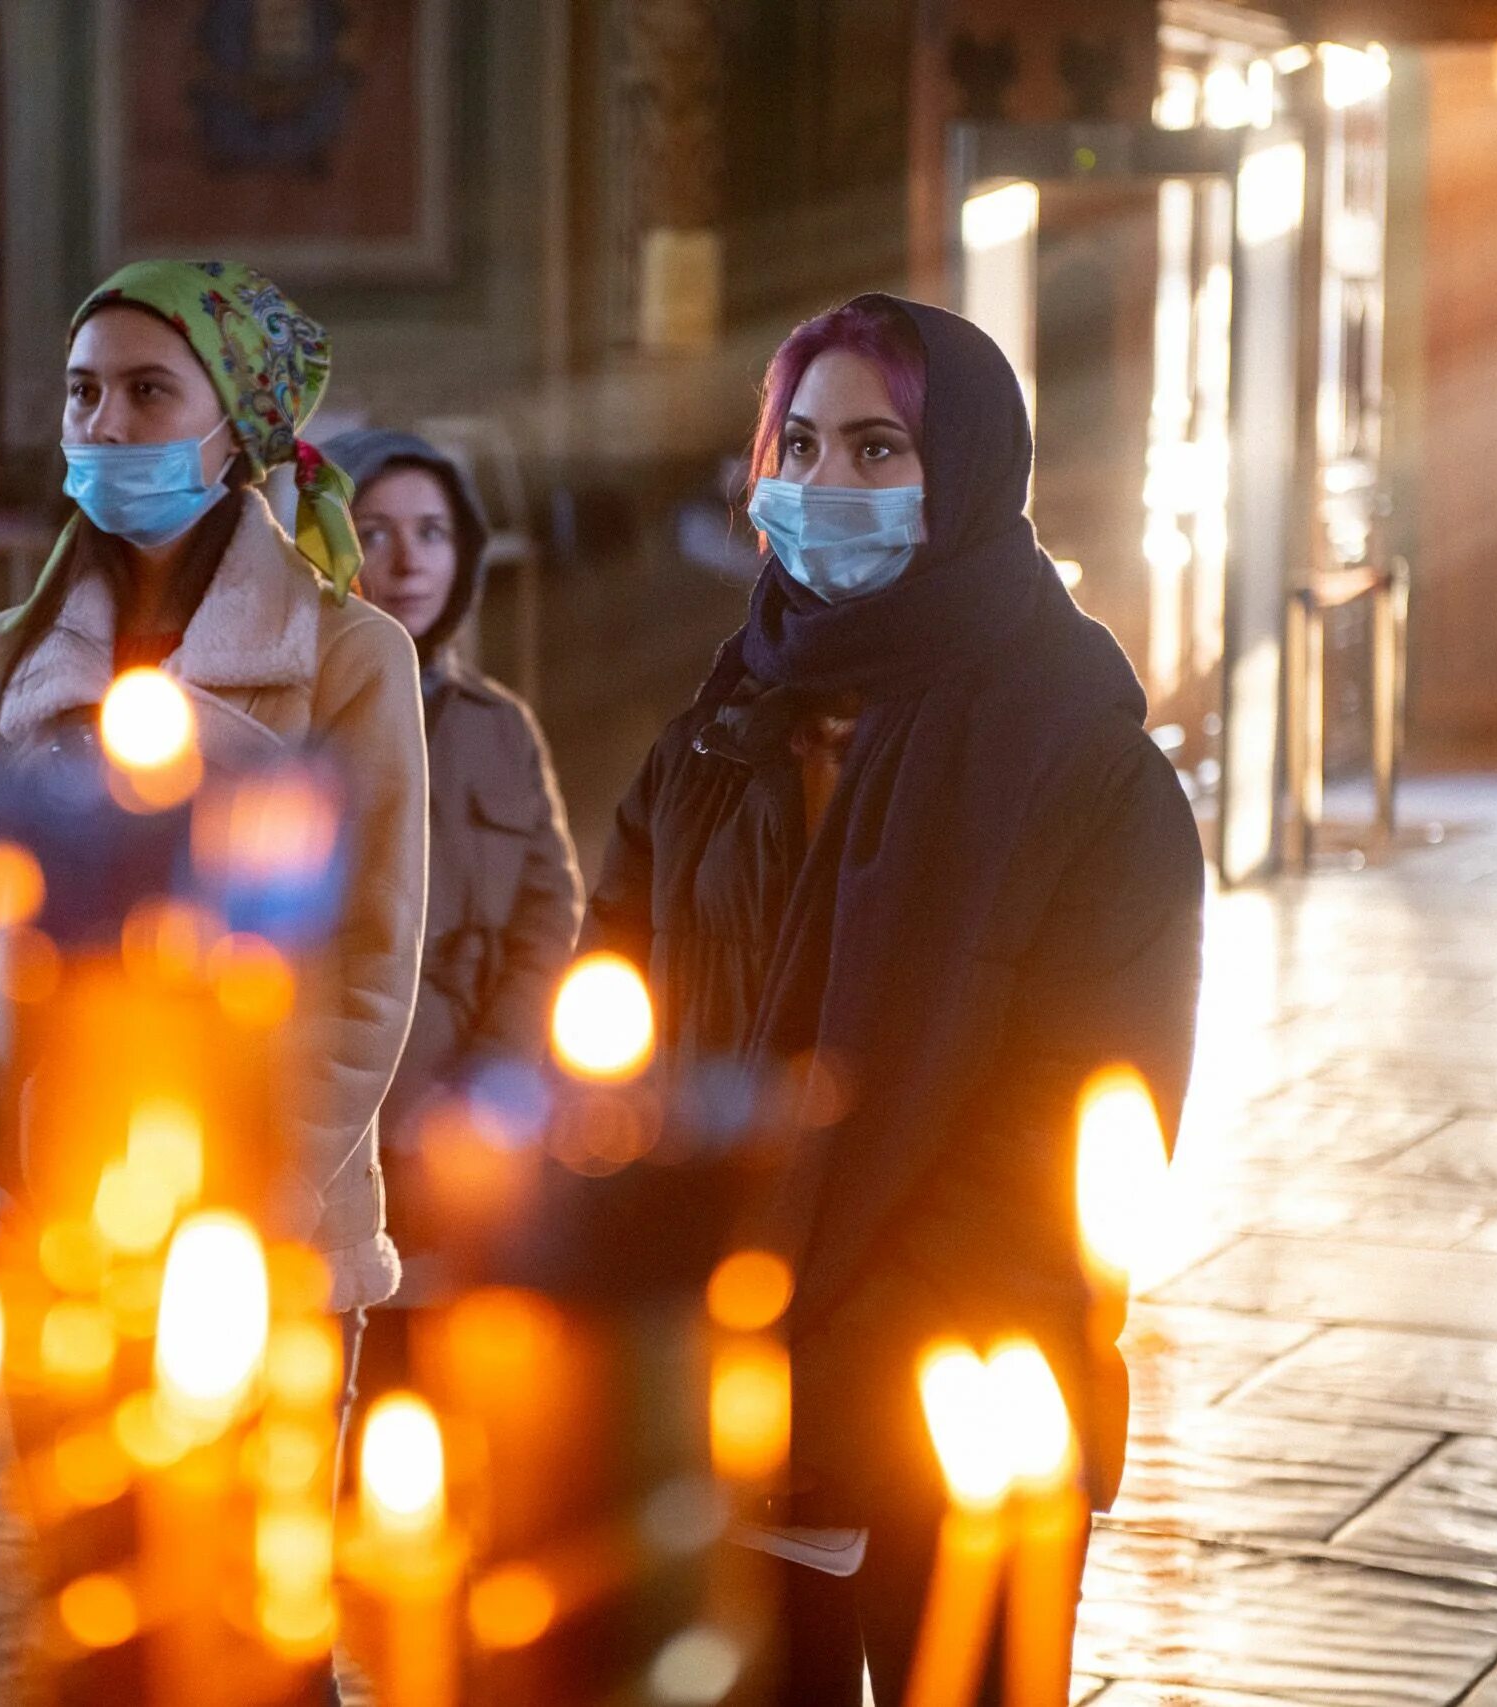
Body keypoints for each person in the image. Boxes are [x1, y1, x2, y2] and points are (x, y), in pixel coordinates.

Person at [583, 294, 1204, 1704]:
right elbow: (617, 995)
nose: (823, 485)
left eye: (876, 450)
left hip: (957, 1384)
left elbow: (1070, 1125)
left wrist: (835, 1370)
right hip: (728, 1380)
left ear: (969, 477)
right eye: (795, 444)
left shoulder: (1079, 762)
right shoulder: (727, 722)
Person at [0, 258, 424, 1453]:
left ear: (237, 427)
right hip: (41, 1215)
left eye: (148, 392)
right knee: (83, 1611)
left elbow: (369, 961)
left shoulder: (346, 659)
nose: (104, 422)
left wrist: (262, 1199)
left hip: (259, 1236)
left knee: (256, 1617)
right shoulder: (6, 666)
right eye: (81, 393)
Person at [324, 427, 580, 1280]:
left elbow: (549, 910)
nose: (408, 561)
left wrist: (498, 1066)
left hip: (475, 1131)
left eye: (432, 532)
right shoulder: (292, 718)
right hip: (333, 1135)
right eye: (376, 530)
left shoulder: (497, 725)